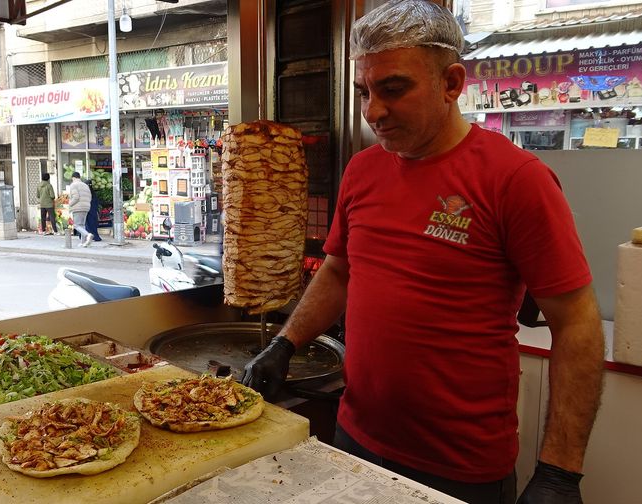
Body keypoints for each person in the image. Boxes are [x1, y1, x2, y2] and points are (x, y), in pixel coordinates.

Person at [241, 2, 604, 504]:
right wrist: (285, 343)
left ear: (451, 83)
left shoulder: (516, 179)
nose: (373, 111)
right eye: (364, 92)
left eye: (393, 89)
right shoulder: (364, 170)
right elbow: (341, 272)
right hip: (355, 437)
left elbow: (577, 322)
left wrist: (560, 471)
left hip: (461, 467)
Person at [67, 171, 93, 247]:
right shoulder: (85, 185)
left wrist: (70, 204)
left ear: (73, 178)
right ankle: (83, 242)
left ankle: (88, 235)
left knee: (76, 225)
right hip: (86, 207)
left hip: (78, 207)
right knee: (82, 225)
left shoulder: (73, 185)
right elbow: (90, 197)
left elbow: (76, 197)